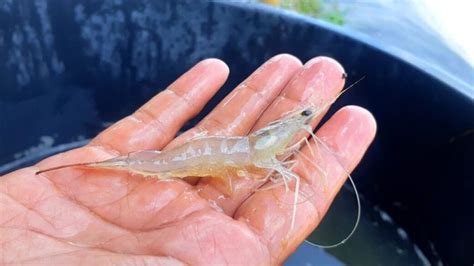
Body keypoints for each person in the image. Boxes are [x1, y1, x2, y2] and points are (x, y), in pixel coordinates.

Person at [0, 54, 376, 265]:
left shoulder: (265, 143)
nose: (304, 122)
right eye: (302, 120)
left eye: (303, 120)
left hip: (222, 154)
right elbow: (266, 157)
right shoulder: (262, 150)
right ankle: (103, 165)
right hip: (199, 158)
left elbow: (264, 149)